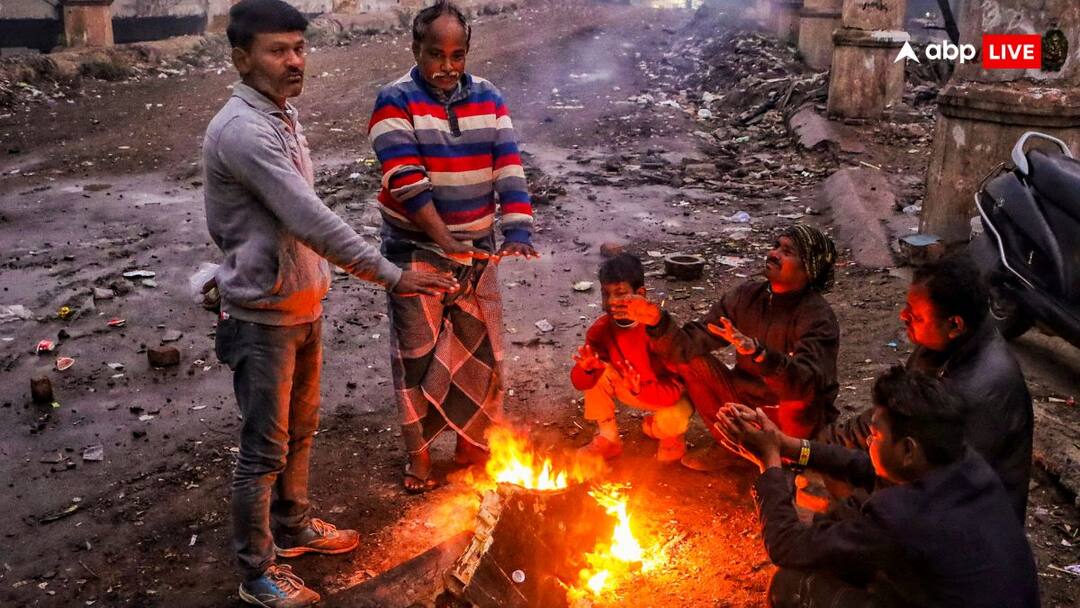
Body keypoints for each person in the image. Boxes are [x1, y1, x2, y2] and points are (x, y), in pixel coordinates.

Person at [203, 1, 455, 605]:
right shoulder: (242, 131)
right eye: (277, 50)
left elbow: (300, 227)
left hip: (300, 302)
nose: (294, 61)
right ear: (242, 59)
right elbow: (308, 217)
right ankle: (257, 571)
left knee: (301, 431)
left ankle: (292, 529)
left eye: (298, 48)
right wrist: (391, 274)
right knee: (263, 447)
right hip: (262, 314)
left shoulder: (280, 116)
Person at [368, 1, 537, 493]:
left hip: (478, 251)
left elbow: (508, 164)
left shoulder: (490, 97)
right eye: (435, 55)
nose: (447, 67)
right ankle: (419, 457)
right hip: (414, 248)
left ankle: (471, 444)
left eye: (457, 55)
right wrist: (443, 239)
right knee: (416, 353)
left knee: (478, 348)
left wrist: (518, 231)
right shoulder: (394, 100)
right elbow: (404, 178)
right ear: (415, 49)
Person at [716, 367, 1040, 608]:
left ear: (908, 448)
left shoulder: (902, 516)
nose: (868, 441)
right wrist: (789, 446)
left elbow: (787, 546)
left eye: (875, 435)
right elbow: (868, 467)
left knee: (791, 584)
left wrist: (768, 463)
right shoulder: (965, 463)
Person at [815, 253, 1034, 520]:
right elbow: (889, 413)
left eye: (915, 315)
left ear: (955, 324)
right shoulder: (941, 346)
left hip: (964, 520)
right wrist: (822, 444)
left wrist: (845, 510)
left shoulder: (978, 392)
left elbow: (929, 487)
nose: (902, 316)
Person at [610, 224, 839, 470]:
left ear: (809, 270)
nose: (774, 254)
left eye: (787, 252)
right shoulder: (747, 296)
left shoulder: (817, 316)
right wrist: (657, 321)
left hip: (790, 418)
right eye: (776, 246)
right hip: (744, 401)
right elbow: (690, 342)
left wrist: (761, 355)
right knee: (690, 361)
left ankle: (787, 460)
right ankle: (731, 446)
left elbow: (807, 383)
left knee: (801, 403)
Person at [571, 253, 693, 462]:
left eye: (620, 294)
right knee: (597, 370)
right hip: (628, 388)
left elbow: (677, 387)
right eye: (605, 294)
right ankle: (608, 439)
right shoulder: (600, 330)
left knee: (672, 423)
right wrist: (587, 369)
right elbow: (582, 383)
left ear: (640, 294)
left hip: (665, 396)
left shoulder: (658, 331)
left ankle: (664, 434)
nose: (611, 301)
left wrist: (641, 390)